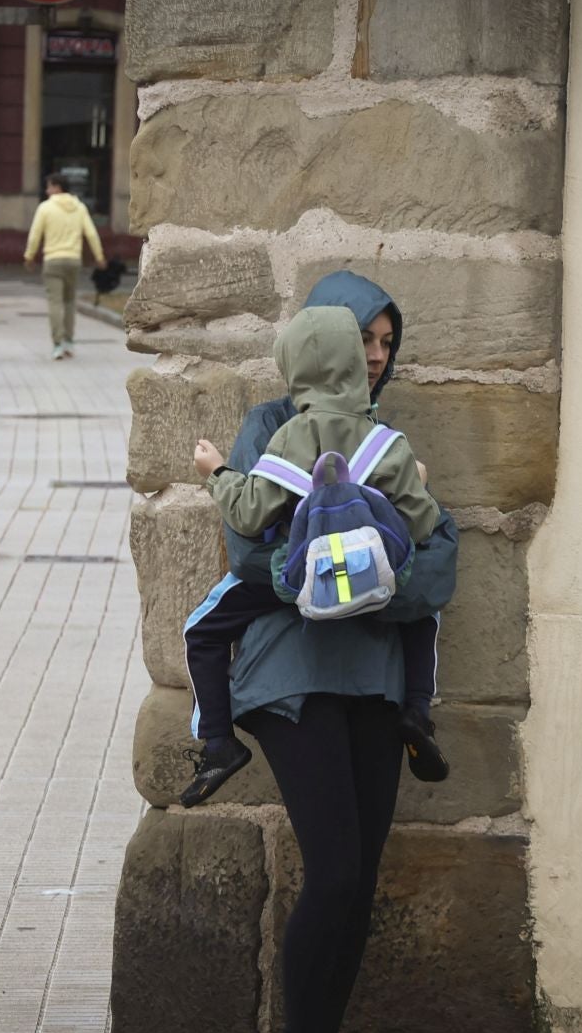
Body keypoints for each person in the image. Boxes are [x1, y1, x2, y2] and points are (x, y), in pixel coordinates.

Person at [214, 271, 459, 1033]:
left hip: (375, 683)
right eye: (368, 342)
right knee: (337, 869)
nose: (381, 357)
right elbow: (250, 554)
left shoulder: (385, 438)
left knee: (361, 875)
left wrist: (358, 583)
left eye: (390, 343)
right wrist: (337, 574)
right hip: (296, 679)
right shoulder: (270, 429)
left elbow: (436, 561)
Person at [182, 304, 450, 806]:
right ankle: (417, 708)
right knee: (424, 611)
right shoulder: (386, 443)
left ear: (295, 370)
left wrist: (216, 472)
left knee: (201, 630)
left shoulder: (290, 435)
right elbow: (421, 522)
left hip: (303, 577)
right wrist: (420, 484)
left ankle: (218, 740)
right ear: (355, 361)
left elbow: (248, 513)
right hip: (372, 576)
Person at [22, 173, 105, 360]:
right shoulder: (80, 208)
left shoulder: (45, 208)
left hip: (52, 261)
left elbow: (35, 235)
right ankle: (69, 342)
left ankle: (58, 344)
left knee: (55, 303)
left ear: (57, 187)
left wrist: (29, 256)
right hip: (73, 261)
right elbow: (91, 234)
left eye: (49, 187)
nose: (46, 191)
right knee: (69, 302)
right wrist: (99, 256)